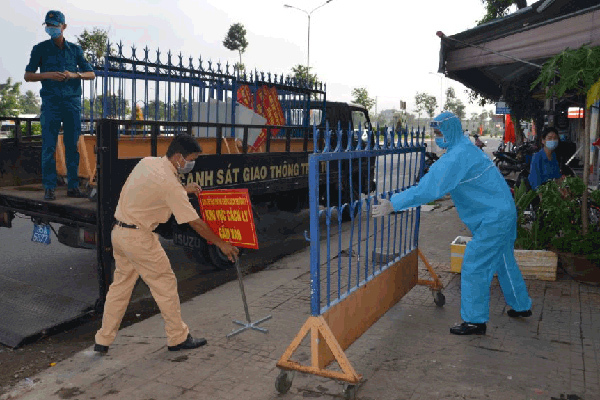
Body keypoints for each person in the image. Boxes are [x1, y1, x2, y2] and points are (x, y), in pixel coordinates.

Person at [372, 112, 532, 336]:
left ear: (452, 131)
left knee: (474, 265)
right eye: (435, 133)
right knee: (504, 261)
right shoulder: (466, 149)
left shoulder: (457, 157)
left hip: (493, 218)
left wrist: (393, 204)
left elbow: (428, 189)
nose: (437, 137)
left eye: (440, 133)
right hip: (502, 213)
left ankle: (475, 321)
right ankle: (521, 305)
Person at [94, 134, 239, 353]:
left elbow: (154, 189)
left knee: (120, 288)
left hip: (120, 234)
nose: (192, 164)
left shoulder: (147, 163)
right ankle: (177, 337)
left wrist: (183, 190)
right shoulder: (170, 184)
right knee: (166, 285)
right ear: (179, 157)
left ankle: (103, 339)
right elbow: (196, 223)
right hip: (139, 239)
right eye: (191, 159)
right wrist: (221, 244)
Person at [24, 10, 96, 201]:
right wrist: (48, 74)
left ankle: (73, 186)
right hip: (51, 103)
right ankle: (49, 187)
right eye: (49, 26)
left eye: (55, 26)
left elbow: (91, 73)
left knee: (71, 146)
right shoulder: (40, 49)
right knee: (48, 146)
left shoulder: (75, 50)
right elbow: (28, 75)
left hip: (72, 103)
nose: (51, 29)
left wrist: (74, 74)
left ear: (63, 27)